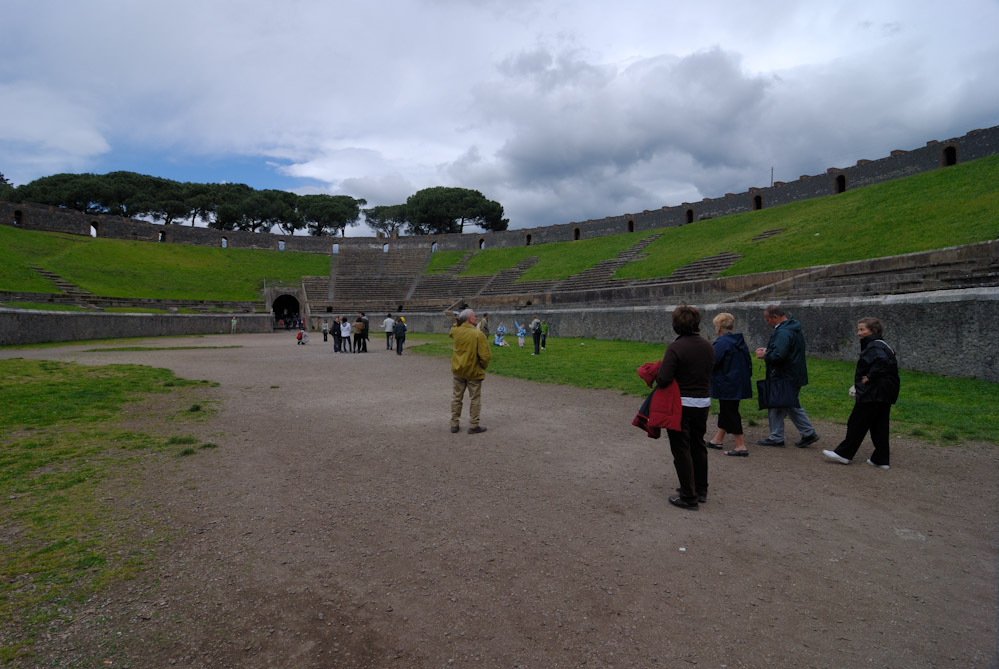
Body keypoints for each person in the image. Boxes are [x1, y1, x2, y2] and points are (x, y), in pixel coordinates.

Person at [656, 306, 715, 510]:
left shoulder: (676, 347)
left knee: (681, 449)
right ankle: (700, 490)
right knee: (698, 446)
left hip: (681, 404)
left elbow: (663, 379)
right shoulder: (708, 345)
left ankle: (689, 496)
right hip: (702, 402)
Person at [823, 318, 900, 469]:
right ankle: (881, 459)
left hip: (874, 392)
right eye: (858, 330)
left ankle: (844, 454)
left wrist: (869, 376)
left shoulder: (874, 346)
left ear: (874, 330)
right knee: (879, 425)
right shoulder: (881, 344)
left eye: (862, 330)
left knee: (857, 421)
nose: (859, 333)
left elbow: (883, 362)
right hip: (885, 392)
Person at [755, 305, 819, 448]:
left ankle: (777, 437)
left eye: (767, 320)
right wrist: (769, 350)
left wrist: (765, 354)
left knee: (778, 404)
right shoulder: (792, 329)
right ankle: (808, 433)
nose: (767, 323)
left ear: (775, 317)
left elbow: (779, 355)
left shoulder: (783, 332)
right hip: (793, 373)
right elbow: (786, 351)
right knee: (789, 403)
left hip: (785, 375)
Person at [707, 313, 753, 456]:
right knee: (727, 410)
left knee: (730, 412)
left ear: (719, 327)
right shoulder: (738, 341)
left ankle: (740, 446)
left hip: (727, 383)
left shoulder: (722, 343)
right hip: (737, 382)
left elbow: (712, 362)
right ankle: (717, 439)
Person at [450, 308, 491, 434]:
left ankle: (454, 424)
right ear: (468, 319)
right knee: (475, 399)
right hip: (473, 371)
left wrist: (458, 321)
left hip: (458, 370)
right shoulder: (478, 335)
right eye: (474, 316)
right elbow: (485, 356)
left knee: (457, 398)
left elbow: (452, 330)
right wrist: (482, 366)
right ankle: (473, 425)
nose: (477, 318)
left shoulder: (456, 331)